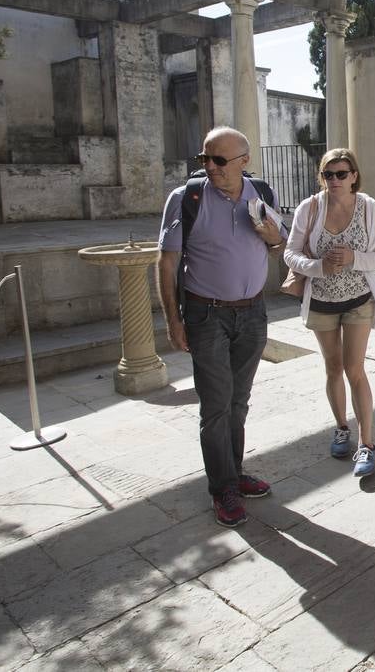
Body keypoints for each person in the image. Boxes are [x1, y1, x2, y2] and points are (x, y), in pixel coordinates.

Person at [157, 127, 284, 528]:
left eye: (219, 160)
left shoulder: (260, 191)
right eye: (204, 159)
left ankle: (234, 471)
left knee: (238, 401)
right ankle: (223, 487)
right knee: (215, 405)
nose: (210, 168)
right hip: (206, 314)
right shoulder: (185, 199)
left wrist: (270, 233)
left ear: (244, 161)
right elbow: (166, 263)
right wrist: (172, 319)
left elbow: (279, 240)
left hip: (252, 314)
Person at [283, 148, 375, 477]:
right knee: (333, 368)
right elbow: (290, 253)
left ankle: (367, 444)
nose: (334, 180)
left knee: (354, 369)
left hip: (359, 298)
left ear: (354, 175)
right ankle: (341, 428)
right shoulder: (310, 207)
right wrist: (317, 267)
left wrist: (353, 259)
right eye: (328, 174)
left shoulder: (369, 209)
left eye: (341, 174)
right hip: (321, 300)